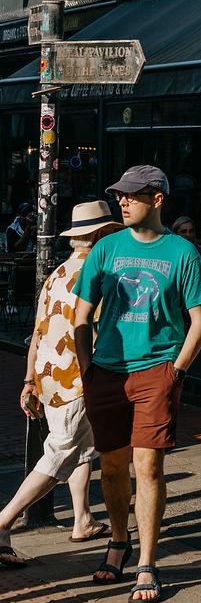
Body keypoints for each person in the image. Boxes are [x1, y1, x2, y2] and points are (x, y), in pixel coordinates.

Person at [73, 164, 201, 603]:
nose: (123, 201)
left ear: (157, 199)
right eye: (120, 195)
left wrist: (177, 370)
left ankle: (147, 563)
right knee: (112, 466)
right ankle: (118, 540)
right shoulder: (106, 249)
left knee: (148, 466)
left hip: (157, 371)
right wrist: (87, 368)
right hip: (107, 372)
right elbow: (80, 315)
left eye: (133, 195)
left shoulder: (182, 253)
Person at [0, 201, 122, 567]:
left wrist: (28, 380)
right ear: (100, 236)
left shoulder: (57, 273)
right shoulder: (99, 276)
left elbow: (38, 333)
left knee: (81, 447)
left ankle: (82, 518)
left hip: (51, 379)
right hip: (79, 380)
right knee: (59, 454)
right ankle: (3, 522)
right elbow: (100, 332)